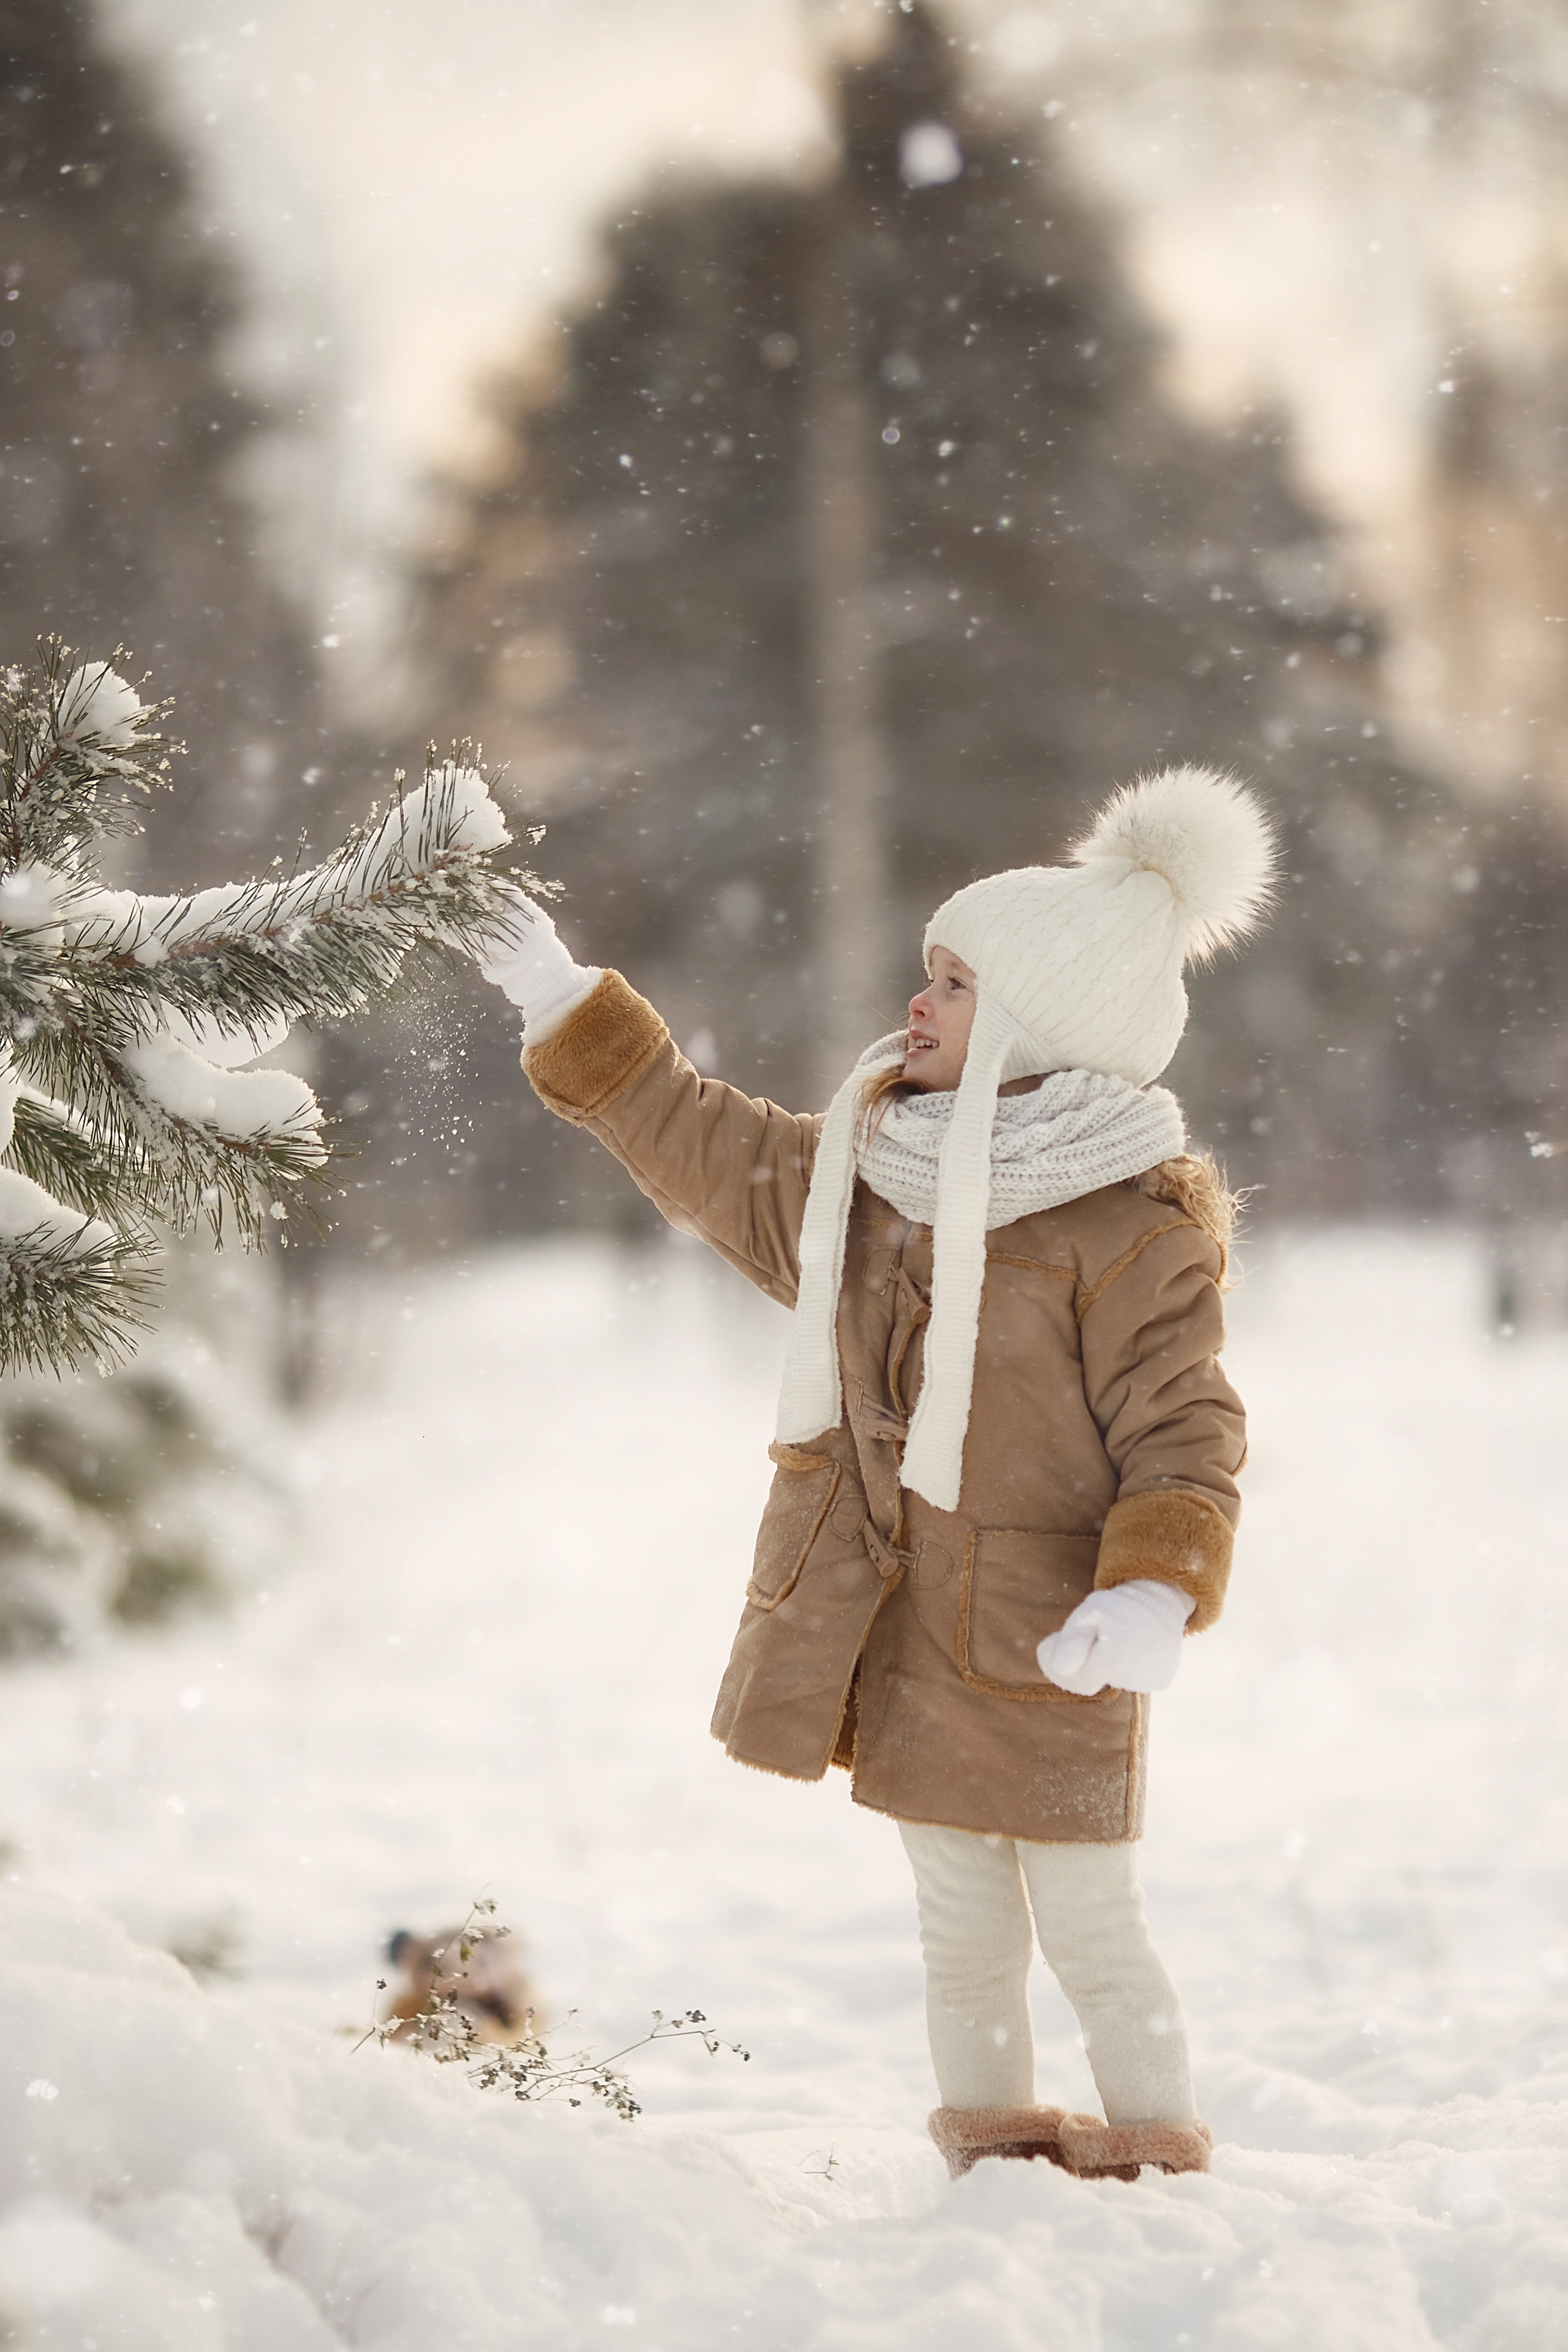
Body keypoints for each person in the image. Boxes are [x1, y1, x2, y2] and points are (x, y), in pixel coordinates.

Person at [473, 766, 1274, 2182]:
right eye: (929, 973)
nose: (919, 1003)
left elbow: (1181, 1425)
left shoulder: (1126, 1230)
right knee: (958, 1929)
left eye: (956, 986)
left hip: (1053, 1645)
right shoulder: (867, 1179)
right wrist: (554, 990)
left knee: (1089, 1926)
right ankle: (997, 2158)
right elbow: (698, 1136)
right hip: (907, 1636)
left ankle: (1156, 2158)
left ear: (1035, 1025)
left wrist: (1152, 1587)